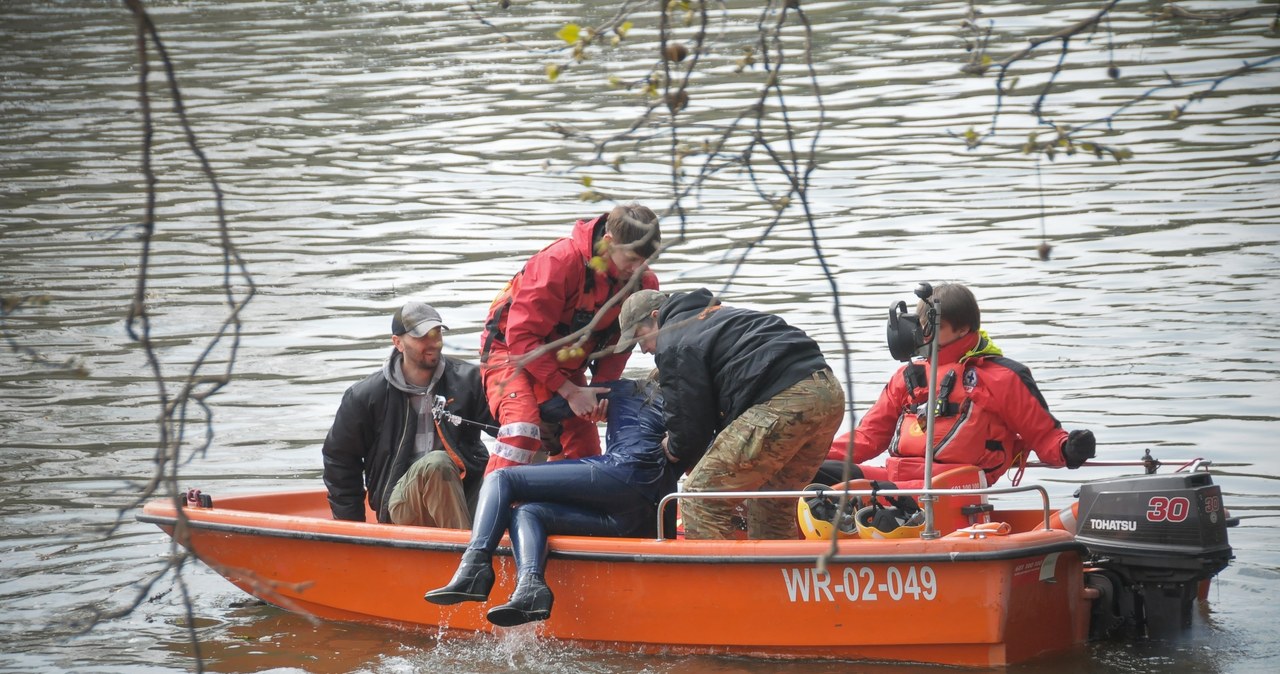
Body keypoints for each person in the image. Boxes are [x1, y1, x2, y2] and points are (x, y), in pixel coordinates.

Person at [424, 377, 679, 627]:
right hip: (644, 514)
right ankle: (531, 589)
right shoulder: (680, 408)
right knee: (527, 512)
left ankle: (474, 566)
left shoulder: (625, 387)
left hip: (623, 473)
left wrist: (522, 407)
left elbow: (549, 410)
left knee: (502, 479)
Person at [617, 288, 845, 540]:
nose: (645, 350)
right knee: (771, 505)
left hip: (786, 401)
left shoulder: (673, 339)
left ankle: (717, 579)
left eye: (641, 338)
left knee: (698, 498)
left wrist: (673, 446)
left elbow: (689, 421)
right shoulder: (719, 316)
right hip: (828, 393)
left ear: (656, 316)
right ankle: (768, 577)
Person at [817, 283, 1095, 489]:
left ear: (962, 330)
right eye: (920, 324)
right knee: (815, 474)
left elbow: (1043, 435)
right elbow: (868, 437)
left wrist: (1068, 449)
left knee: (851, 493)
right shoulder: (908, 376)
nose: (920, 333)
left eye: (930, 326)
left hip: (956, 484)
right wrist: (805, 455)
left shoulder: (1001, 377)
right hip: (898, 475)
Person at [479, 203, 661, 473]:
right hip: (508, 353)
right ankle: (492, 508)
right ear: (609, 243)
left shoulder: (643, 283)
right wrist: (570, 390)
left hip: (565, 361)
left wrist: (599, 393)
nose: (639, 268)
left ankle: (562, 512)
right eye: (632, 259)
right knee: (522, 430)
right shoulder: (560, 262)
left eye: (645, 260)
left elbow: (618, 348)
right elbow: (521, 337)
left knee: (586, 448)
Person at [322, 301, 495, 528]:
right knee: (436, 464)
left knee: (507, 469)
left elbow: (508, 428)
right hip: (403, 503)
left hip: (463, 491)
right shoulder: (365, 396)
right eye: (422, 336)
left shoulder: (470, 380)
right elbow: (340, 460)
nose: (433, 342)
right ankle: (468, 556)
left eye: (436, 333)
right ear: (398, 343)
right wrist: (352, 529)